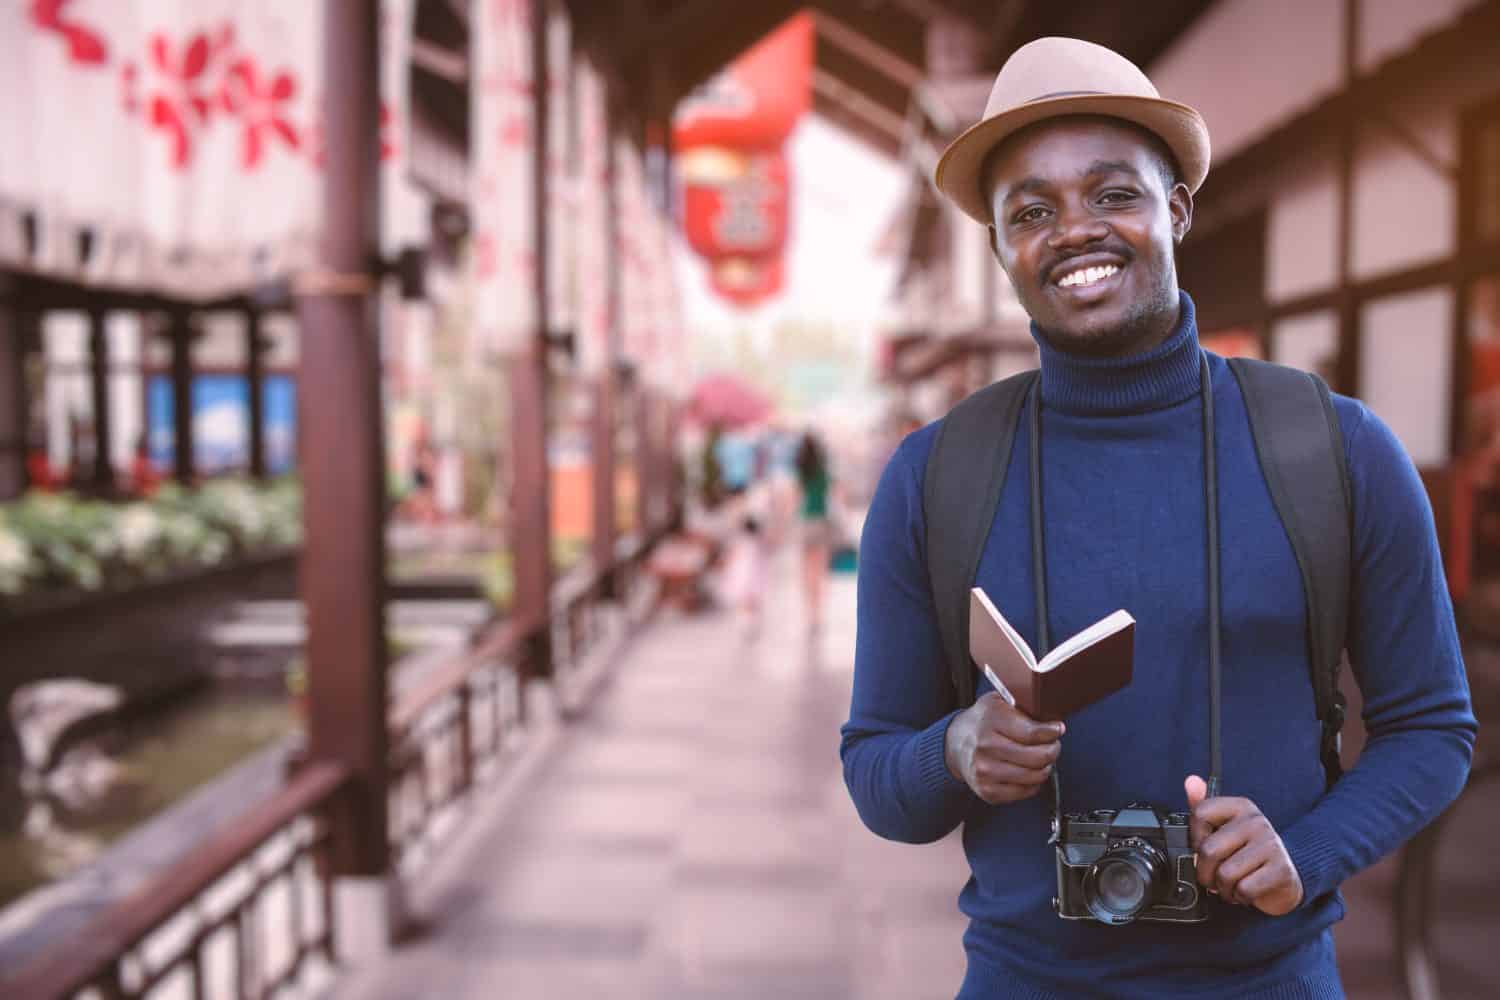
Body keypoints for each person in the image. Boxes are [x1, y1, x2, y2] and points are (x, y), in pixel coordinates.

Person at [840, 37, 1476, 998]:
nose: (1074, 230)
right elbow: (877, 773)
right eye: (1032, 211)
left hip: (1271, 979)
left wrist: (1308, 852)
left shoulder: (1334, 449)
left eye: (1113, 194)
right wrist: (954, 751)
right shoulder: (935, 477)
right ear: (1003, 247)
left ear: (1175, 209)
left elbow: (1433, 727)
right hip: (1025, 980)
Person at [795, 431, 833, 633]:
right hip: (821, 521)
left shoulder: (800, 471)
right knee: (819, 569)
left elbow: (796, 498)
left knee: (806, 570)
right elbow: (832, 494)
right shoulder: (822, 471)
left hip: (804, 521)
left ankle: (809, 614)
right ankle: (817, 614)